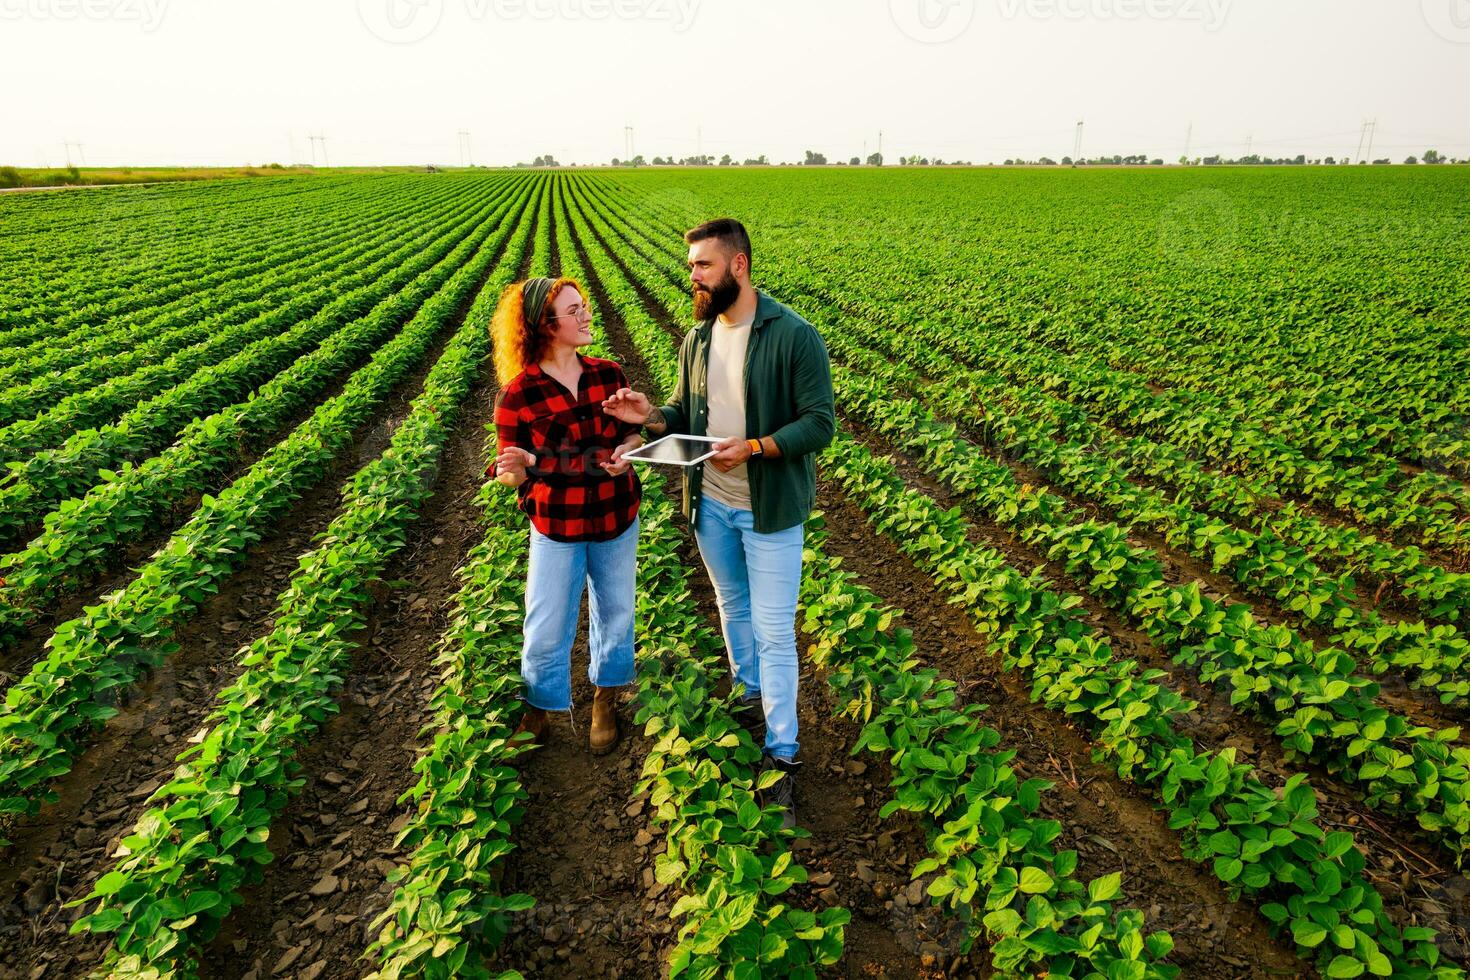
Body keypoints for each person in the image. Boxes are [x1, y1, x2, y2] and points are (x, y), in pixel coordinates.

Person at [602, 218, 835, 827]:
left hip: (769, 508)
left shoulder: (794, 335)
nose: (693, 277)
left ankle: (783, 755)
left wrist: (755, 447)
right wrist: (650, 415)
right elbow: (685, 412)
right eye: (691, 268)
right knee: (732, 607)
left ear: (738, 265)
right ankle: (749, 695)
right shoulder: (697, 338)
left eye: (702, 265)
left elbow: (819, 424)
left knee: (775, 627)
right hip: (712, 503)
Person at [490, 275, 645, 756]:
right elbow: (509, 469)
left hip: (615, 514)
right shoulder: (519, 394)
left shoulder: (608, 374)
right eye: (573, 310)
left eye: (584, 307)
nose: (586, 316)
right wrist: (513, 470)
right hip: (556, 522)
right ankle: (538, 707)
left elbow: (632, 437)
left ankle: (604, 698)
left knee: (616, 613)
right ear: (544, 325)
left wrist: (629, 450)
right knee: (546, 622)